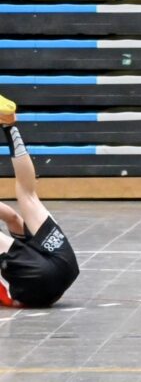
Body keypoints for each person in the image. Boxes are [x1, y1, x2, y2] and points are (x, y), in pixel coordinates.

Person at [0, 96, 80, 307]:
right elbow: (11, 217)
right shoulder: (21, 243)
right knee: (28, 194)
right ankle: (9, 125)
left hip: (39, 286)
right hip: (66, 265)